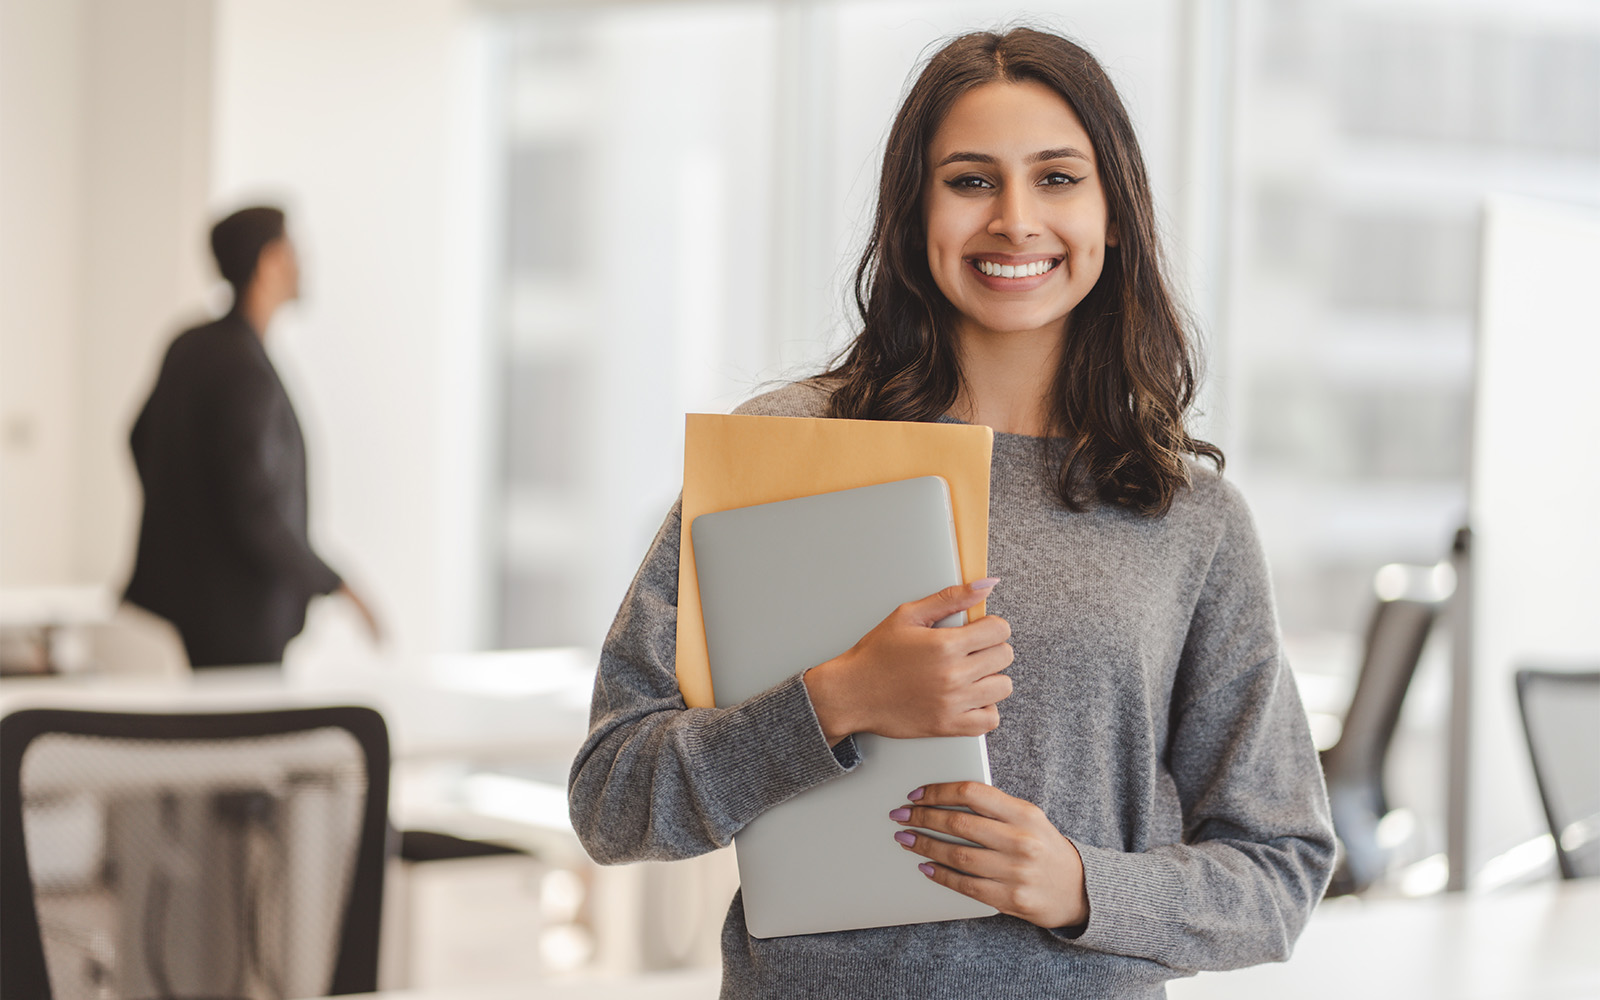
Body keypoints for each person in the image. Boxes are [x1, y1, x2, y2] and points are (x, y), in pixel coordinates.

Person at [568, 28, 1334, 999]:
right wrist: (836, 699)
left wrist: (1081, 885)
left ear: (1113, 214)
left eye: (1057, 178)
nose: (1015, 221)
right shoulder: (785, 450)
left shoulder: (1188, 517)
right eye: (970, 181)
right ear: (913, 210)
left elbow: (1279, 869)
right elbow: (610, 797)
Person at [123, 206, 379, 668]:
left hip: (193, 607)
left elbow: (138, 440)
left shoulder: (190, 345)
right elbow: (253, 505)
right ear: (269, 261)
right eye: (292, 250)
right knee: (241, 735)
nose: (303, 263)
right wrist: (334, 582)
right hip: (242, 616)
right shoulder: (245, 370)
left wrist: (186, 524)